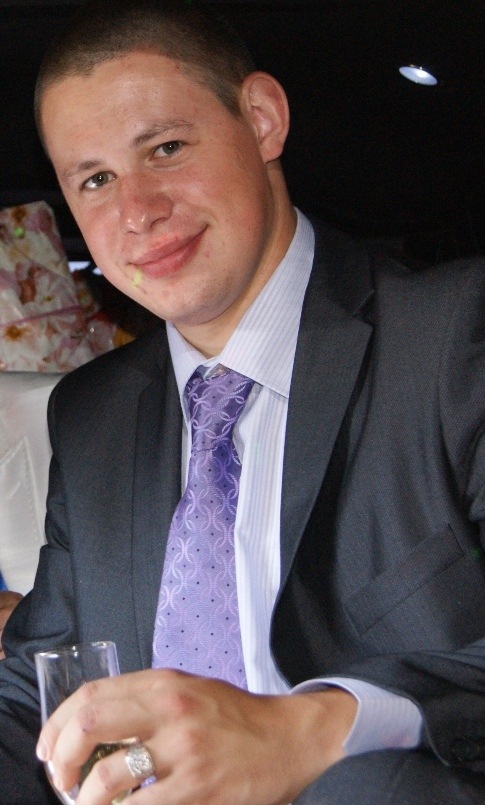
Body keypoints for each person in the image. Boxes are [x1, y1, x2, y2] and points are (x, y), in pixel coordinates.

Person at [0, 1, 484, 802]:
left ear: (261, 119)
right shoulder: (93, 416)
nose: (136, 211)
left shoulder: (453, 339)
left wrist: (304, 729)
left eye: (165, 148)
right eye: (95, 180)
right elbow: (36, 693)